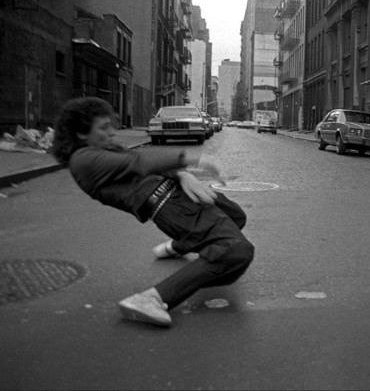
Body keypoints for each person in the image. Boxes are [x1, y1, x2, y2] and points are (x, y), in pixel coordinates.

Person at [52, 97, 255, 327]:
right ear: (80, 133)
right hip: (169, 204)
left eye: (110, 124)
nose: (112, 131)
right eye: (103, 127)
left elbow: (142, 164)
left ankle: (178, 246)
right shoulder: (83, 160)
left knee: (236, 215)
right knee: (235, 251)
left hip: (178, 191)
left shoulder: (103, 149)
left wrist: (182, 175)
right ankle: (152, 298)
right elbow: (139, 162)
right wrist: (195, 158)